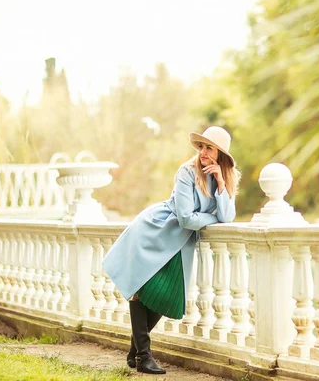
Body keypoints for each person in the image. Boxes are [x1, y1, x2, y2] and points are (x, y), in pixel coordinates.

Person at [102, 126, 240, 374]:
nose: (203, 152)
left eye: (210, 148)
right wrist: (211, 216)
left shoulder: (223, 178)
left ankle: (136, 351)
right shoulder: (187, 172)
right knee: (141, 289)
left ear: (221, 154)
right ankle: (144, 356)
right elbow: (187, 219)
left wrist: (220, 182)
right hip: (156, 230)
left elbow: (227, 216)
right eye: (202, 147)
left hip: (178, 243)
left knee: (164, 296)